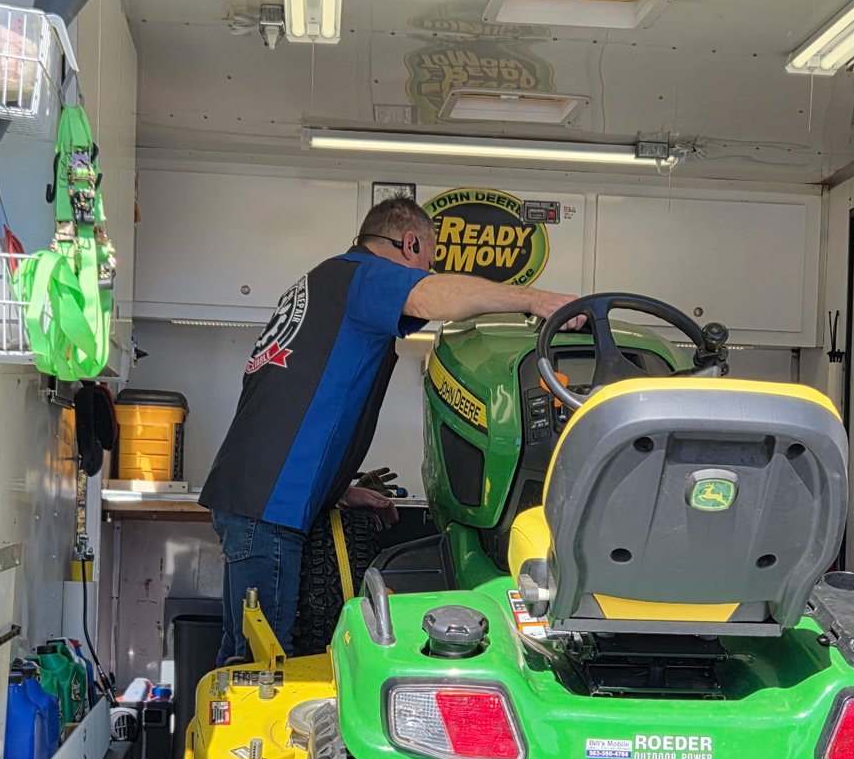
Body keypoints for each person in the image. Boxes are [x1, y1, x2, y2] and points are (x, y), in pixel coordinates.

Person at [199, 194, 581, 663]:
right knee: (260, 668)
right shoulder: (361, 275)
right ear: (410, 242)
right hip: (267, 508)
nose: (426, 272)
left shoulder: (325, 287)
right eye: (429, 260)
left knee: (241, 654)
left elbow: (296, 409)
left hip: (255, 496)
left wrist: (337, 490)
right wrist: (537, 300)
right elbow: (431, 296)